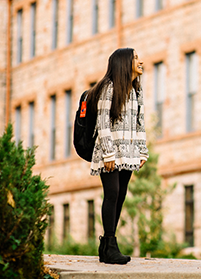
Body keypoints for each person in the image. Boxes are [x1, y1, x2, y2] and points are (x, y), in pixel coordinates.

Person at [87, 48, 149, 265]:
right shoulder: (109, 88)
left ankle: (106, 246)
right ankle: (110, 244)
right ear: (124, 63)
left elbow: (140, 123)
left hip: (129, 152)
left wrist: (142, 150)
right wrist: (109, 153)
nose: (141, 61)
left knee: (121, 194)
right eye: (136, 58)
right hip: (110, 151)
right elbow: (102, 123)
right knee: (112, 193)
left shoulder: (136, 90)